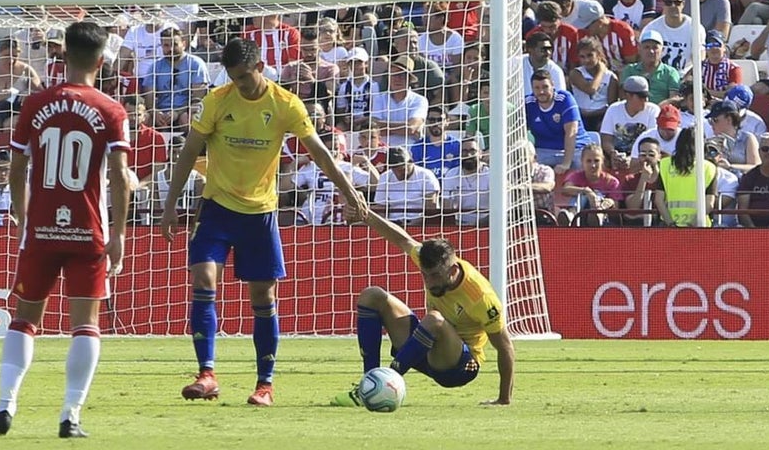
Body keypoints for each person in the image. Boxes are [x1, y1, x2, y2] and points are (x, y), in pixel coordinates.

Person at [159, 38, 368, 407]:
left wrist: (350, 192)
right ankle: (207, 374)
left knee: (263, 297)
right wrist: (170, 204)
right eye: (232, 77)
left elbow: (319, 152)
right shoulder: (217, 101)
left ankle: (264, 385)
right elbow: (190, 150)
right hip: (217, 207)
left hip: (259, 214)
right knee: (204, 278)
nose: (238, 84)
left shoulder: (285, 104)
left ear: (259, 68)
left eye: (243, 77)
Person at [0, 21, 131, 440]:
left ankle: (4, 407)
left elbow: (16, 170)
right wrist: (118, 234)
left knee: (25, 317)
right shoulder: (111, 110)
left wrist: (23, 219)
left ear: (62, 56)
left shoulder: (35, 103)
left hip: (43, 227)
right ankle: (70, 415)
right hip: (89, 230)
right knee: (86, 323)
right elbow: (119, 178)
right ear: (101, 61)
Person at [330, 207, 514, 406]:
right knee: (372, 295)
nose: (429, 282)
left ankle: (385, 381)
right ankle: (368, 384)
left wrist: (503, 399)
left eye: (435, 275)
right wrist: (365, 214)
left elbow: (505, 348)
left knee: (434, 319)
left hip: (459, 367)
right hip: (426, 350)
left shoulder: (481, 297)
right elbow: (401, 238)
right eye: (425, 275)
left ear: (452, 270)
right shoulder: (428, 261)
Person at [654, 126, 718, 226]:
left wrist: (670, 223)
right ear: (702, 144)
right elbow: (709, 203)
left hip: (668, 225)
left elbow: (659, 199)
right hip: (699, 226)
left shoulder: (664, 165)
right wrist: (692, 225)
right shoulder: (709, 168)